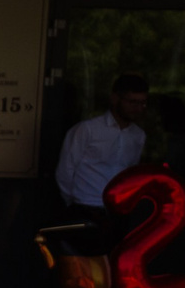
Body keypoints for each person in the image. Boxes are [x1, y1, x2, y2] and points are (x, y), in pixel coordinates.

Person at [57, 73, 150, 215]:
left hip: (118, 207)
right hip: (85, 204)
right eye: (132, 102)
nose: (138, 108)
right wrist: (72, 202)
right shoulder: (88, 129)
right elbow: (66, 169)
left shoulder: (138, 135)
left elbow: (130, 171)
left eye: (142, 103)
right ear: (115, 99)